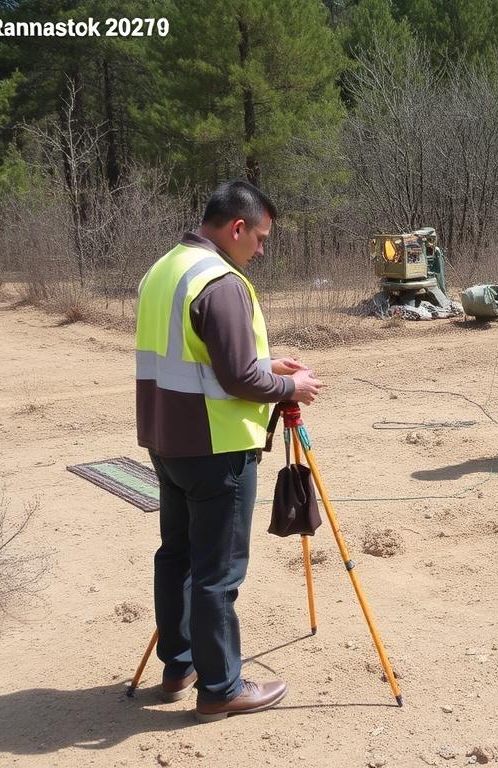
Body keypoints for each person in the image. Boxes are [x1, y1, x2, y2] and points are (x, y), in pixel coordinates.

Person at [135, 180, 323, 722]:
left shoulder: (164, 269)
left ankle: (180, 665)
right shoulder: (221, 282)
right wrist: (291, 388)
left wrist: (270, 367)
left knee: (177, 557)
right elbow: (237, 376)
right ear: (236, 228)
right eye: (260, 239)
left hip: (167, 439)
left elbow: (203, 361)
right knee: (218, 571)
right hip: (218, 446)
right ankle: (220, 688)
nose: (261, 250)